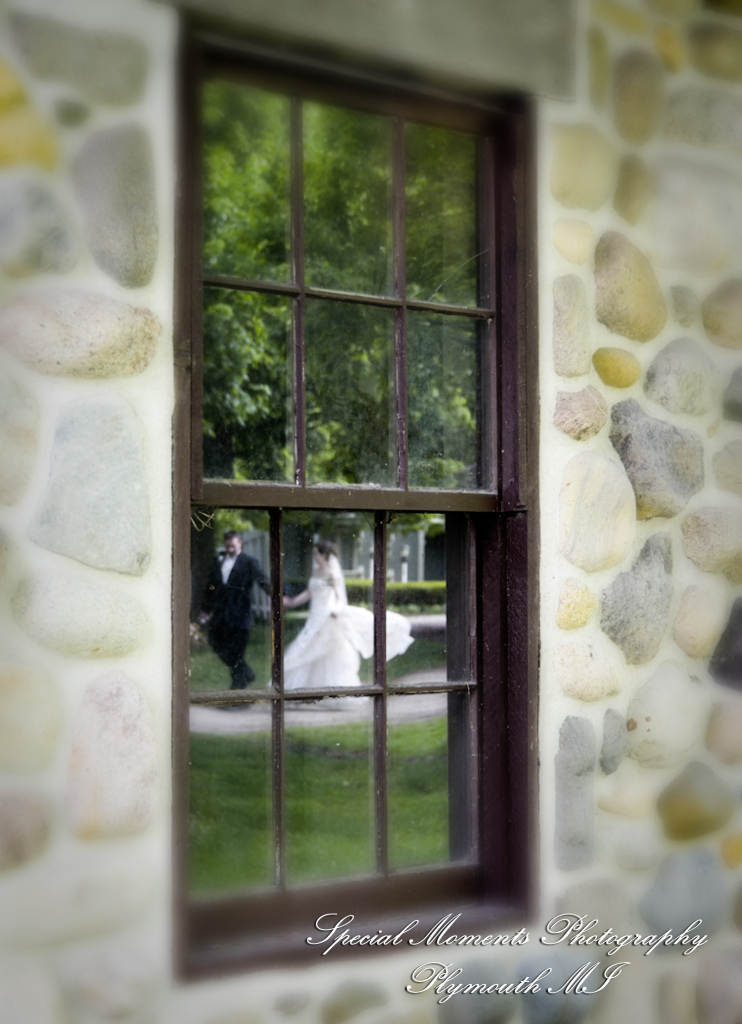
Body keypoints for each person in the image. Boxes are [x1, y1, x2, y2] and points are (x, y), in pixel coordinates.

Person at [282, 539, 413, 690]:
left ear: (324, 555)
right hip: (314, 617)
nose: (315, 557)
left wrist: (336, 610)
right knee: (307, 650)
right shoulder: (316, 571)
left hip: (327, 616)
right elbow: (310, 593)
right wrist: (291, 602)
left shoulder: (332, 574)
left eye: (317, 553)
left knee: (327, 652)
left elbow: (339, 596)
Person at [200, 530, 271, 689]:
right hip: (221, 614)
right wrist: (205, 609)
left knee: (237, 651)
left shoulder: (249, 561)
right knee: (214, 640)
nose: (230, 549)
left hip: (240, 614)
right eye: (228, 546)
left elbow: (262, 580)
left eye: (233, 546)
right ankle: (247, 673)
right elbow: (211, 587)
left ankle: (238, 688)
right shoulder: (219, 561)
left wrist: (278, 596)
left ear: (240, 544)